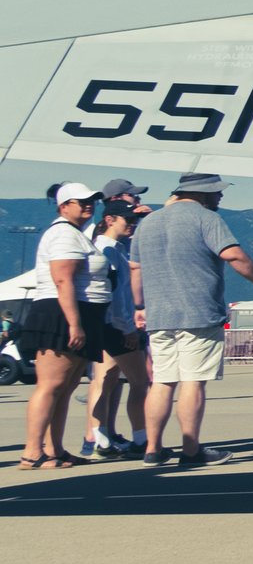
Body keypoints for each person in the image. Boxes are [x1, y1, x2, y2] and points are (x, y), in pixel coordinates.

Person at [130, 172, 253, 465]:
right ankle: (190, 449)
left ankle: (153, 449)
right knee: (193, 381)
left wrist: (139, 305)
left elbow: (135, 267)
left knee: (162, 381)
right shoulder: (205, 218)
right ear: (202, 193)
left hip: (160, 314)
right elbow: (234, 255)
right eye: (217, 192)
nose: (220, 196)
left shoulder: (147, 223)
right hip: (197, 311)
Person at [19, 183, 103, 470]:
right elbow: (62, 279)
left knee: (65, 388)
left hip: (72, 311)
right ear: (64, 205)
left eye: (92, 200)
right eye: (81, 201)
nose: (89, 205)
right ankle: (33, 451)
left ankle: (54, 449)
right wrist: (74, 323)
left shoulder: (75, 234)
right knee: (51, 385)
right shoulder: (64, 234)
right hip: (59, 311)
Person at [79, 193, 149, 458]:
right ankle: (141, 439)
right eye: (128, 219)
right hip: (116, 326)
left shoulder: (114, 247)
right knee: (140, 383)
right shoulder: (107, 250)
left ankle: (101, 440)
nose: (132, 223)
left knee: (104, 381)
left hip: (107, 325)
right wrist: (127, 327)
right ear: (110, 219)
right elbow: (115, 294)